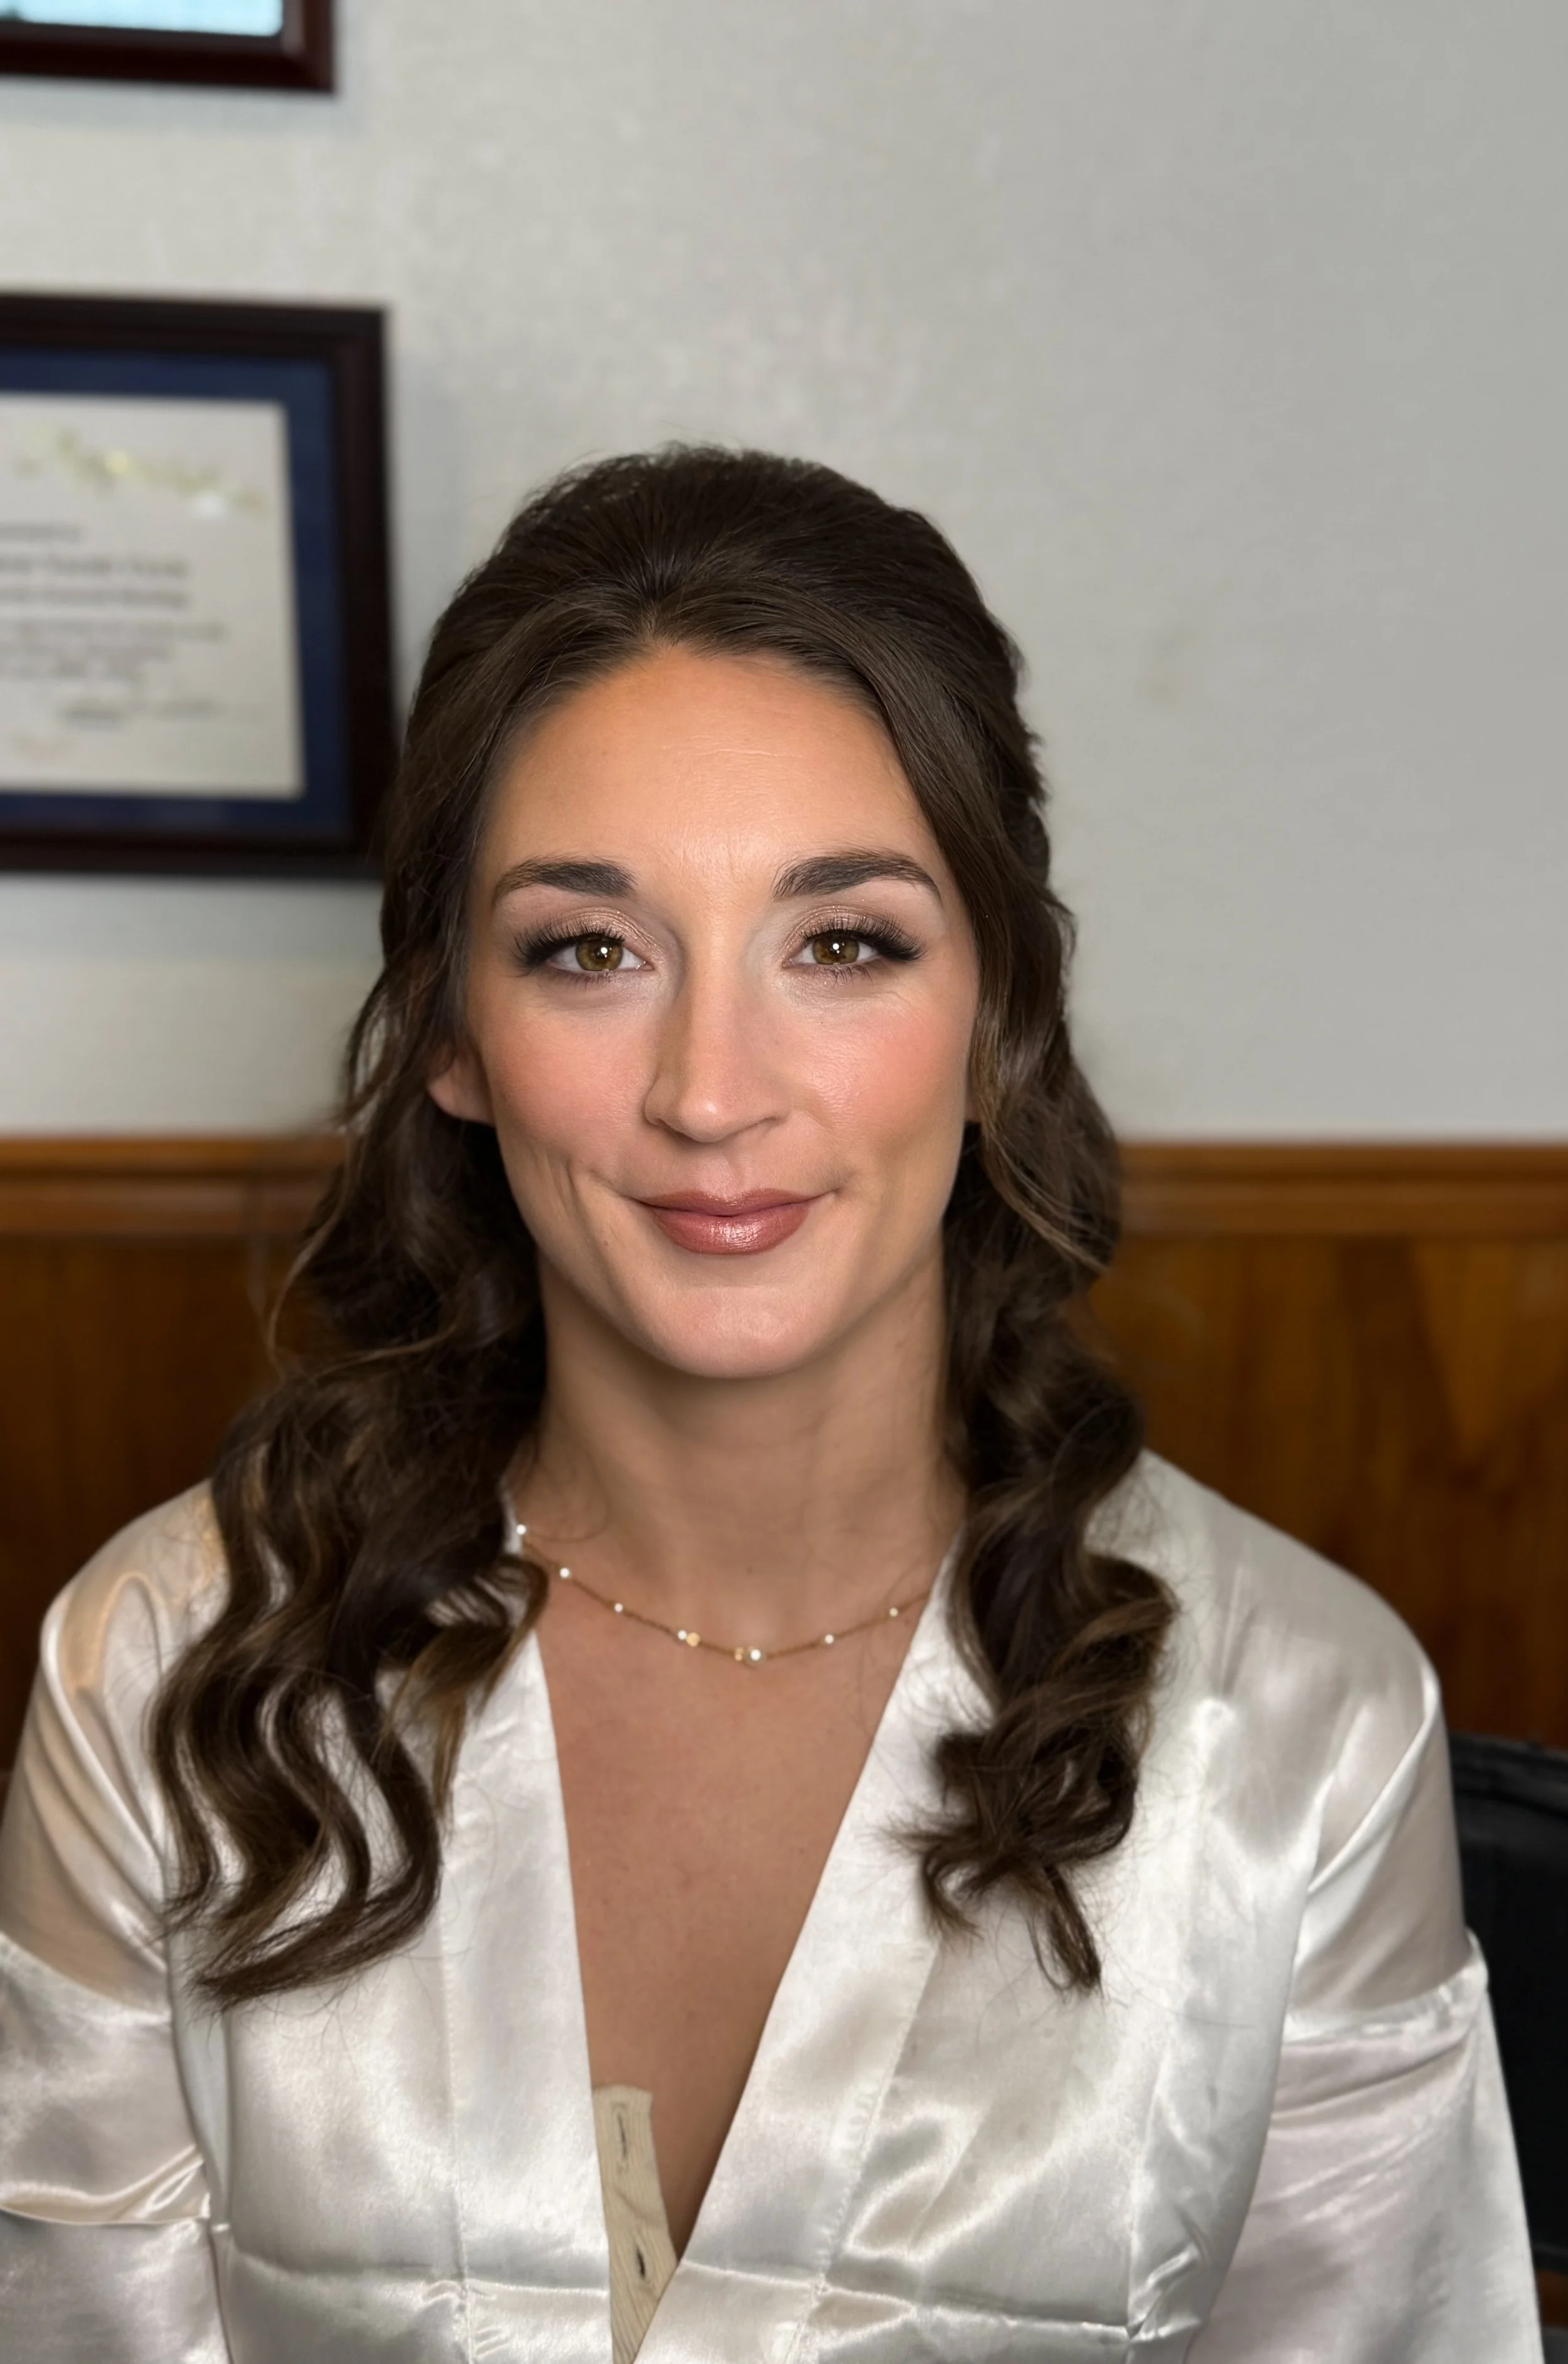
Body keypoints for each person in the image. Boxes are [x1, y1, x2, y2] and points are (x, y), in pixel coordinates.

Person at [0, 448, 1539, 2362]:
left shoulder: (1304, 1724)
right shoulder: (163, 1671)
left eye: (842, 943)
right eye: (589, 949)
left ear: (996, 1017)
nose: (712, 1091)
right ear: (456, 1037)